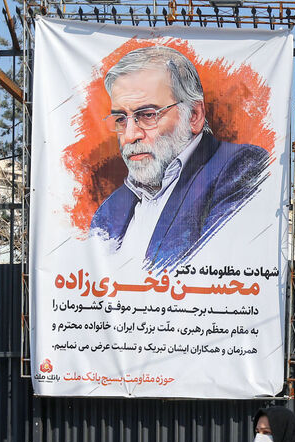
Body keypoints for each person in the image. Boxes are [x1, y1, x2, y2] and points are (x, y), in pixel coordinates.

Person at [88, 45, 272, 273]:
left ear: (194, 116)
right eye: (120, 119)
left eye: (147, 115)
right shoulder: (107, 212)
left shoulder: (240, 168)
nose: (129, 135)